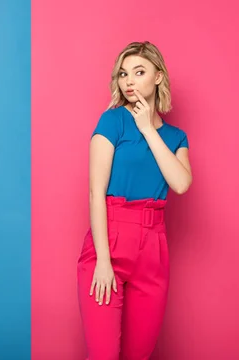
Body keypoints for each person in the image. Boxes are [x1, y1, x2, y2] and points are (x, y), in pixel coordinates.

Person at [77, 42, 192, 360]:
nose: (129, 81)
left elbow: (181, 183)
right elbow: (95, 192)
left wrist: (148, 128)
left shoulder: (175, 137)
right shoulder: (112, 121)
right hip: (109, 241)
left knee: (138, 355)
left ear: (158, 76)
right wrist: (103, 259)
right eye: (124, 74)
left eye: (139, 72)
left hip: (153, 249)